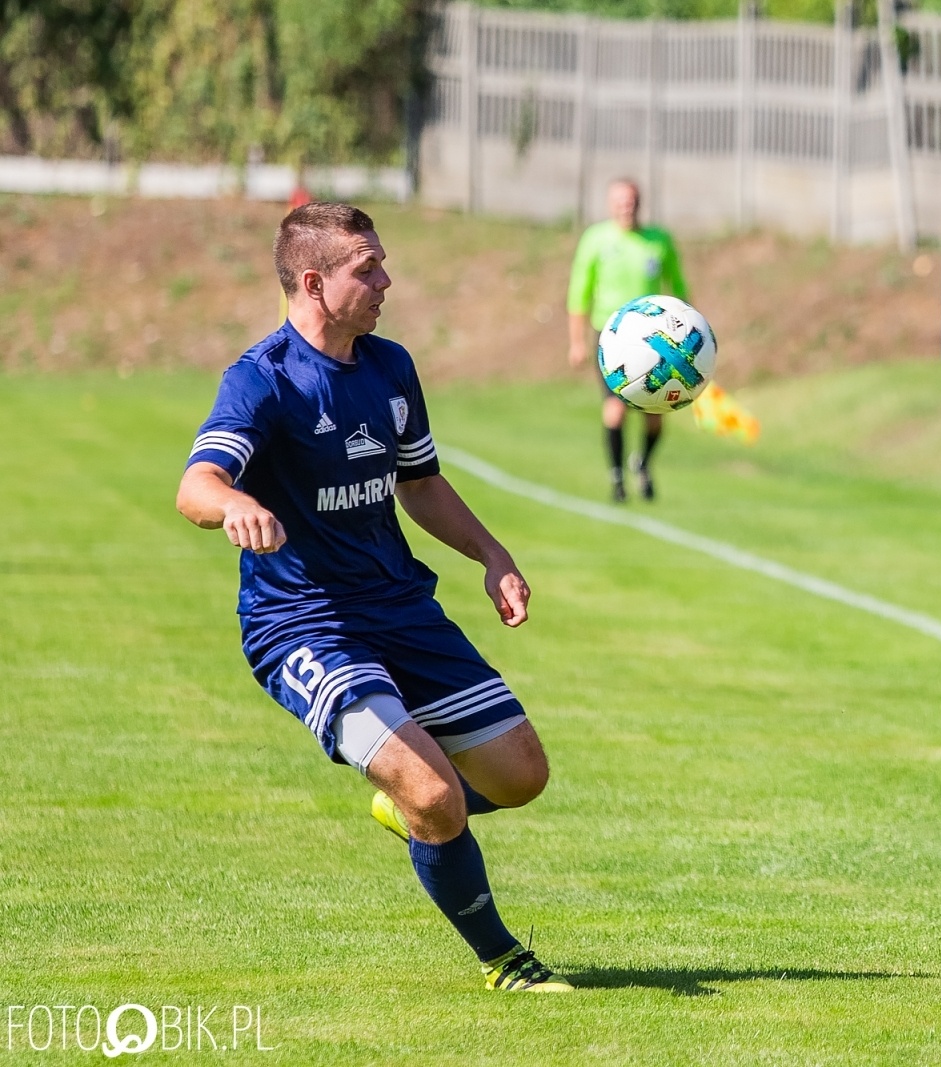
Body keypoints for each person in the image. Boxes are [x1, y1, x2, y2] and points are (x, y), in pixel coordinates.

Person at [176, 202, 572, 993]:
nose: (387, 280)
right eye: (369, 268)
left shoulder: (390, 367)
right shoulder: (264, 380)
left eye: (383, 261)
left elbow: (419, 484)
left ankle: (416, 811)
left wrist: (491, 555)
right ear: (315, 283)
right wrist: (236, 505)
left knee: (521, 774)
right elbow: (197, 484)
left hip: (398, 606)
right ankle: (505, 958)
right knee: (433, 789)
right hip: (303, 624)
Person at [567, 178, 690, 502]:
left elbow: (678, 288)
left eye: (632, 200)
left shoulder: (658, 241)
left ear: (640, 203)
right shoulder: (596, 239)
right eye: (621, 200)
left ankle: (643, 464)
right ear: (610, 204)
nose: (627, 206)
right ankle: (617, 478)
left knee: (655, 414)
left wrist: (689, 335)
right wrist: (576, 341)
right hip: (611, 340)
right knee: (615, 410)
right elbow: (579, 292)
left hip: (656, 341)